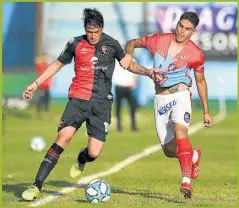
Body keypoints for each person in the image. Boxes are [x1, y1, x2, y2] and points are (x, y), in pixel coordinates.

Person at [21, 8, 154, 201]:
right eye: (89, 32)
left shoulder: (112, 44)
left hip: (101, 104)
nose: (92, 36)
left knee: (94, 152)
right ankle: (36, 186)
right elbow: (56, 64)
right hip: (77, 99)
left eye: (96, 32)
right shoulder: (74, 43)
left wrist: (148, 72)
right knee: (63, 137)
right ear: (85, 29)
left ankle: (81, 159)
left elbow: (129, 64)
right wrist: (35, 84)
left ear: (102, 28)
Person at [124, 12, 214, 199]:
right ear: (177, 24)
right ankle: (193, 156)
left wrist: (206, 111)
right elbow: (132, 42)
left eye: (187, 29)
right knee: (170, 151)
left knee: (181, 132)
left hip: (181, 94)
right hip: (160, 99)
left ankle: (186, 182)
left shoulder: (196, 54)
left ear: (193, 31)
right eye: (181, 26)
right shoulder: (157, 40)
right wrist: (128, 54)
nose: (182, 31)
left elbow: (201, 82)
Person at [112, 61, 139, 132]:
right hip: (119, 86)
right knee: (118, 107)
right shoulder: (116, 61)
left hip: (128, 87)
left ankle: (133, 126)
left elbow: (136, 73)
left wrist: (135, 83)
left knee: (133, 106)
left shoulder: (132, 60)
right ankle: (119, 127)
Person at [35, 53, 53, 119]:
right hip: (41, 86)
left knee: (47, 99)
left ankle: (46, 112)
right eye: (46, 57)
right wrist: (43, 58)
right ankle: (39, 113)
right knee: (40, 99)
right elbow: (36, 60)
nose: (47, 59)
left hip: (47, 86)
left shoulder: (49, 65)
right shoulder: (40, 65)